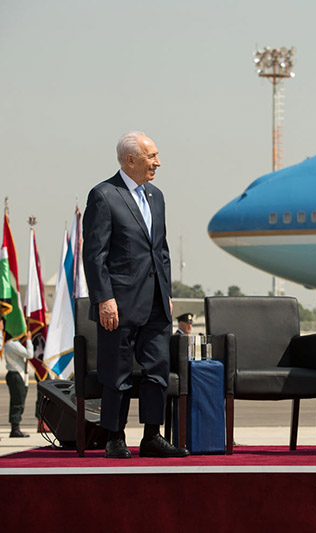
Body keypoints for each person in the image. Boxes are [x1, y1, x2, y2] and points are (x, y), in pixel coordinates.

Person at [83, 131, 189, 459]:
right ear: (131, 160)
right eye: (151, 156)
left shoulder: (156, 196)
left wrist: (167, 292)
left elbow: (162, 251)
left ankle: (152, 436)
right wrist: (104, 298)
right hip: (120, 303)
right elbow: (94, 254)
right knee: (117, 373)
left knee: (158, 370)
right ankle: (114, 437)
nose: (158, 162)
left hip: (156, 302)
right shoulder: (104, 195)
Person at [2, 320, 33, 438]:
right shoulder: (12, 344)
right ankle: (15, 429)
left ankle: (15, 427)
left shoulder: (12, 343)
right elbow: (29, 354)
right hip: (16, 375)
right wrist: (29, 340)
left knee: (18, 401)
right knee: (17, 402)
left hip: (16, 375)